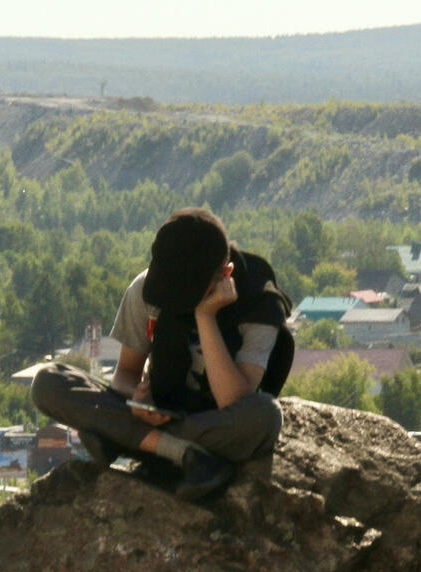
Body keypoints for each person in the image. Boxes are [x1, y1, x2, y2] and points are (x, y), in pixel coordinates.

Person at [31, 207, 294, 501]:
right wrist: (138, 402)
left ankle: (127, 439)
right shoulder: (147, 289)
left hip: (215, 426)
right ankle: (184, 454)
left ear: (225, 273)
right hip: (160, 416)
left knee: (266, 415)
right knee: (48, 382)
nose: (174, 299)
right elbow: (126, 374)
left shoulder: (259, 305)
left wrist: (205, 316)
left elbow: (234, 400)